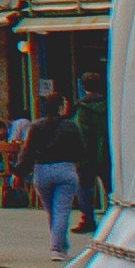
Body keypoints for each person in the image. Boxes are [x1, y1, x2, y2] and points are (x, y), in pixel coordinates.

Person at [25, 103, 91, 258]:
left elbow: (28, 150)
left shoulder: (36, 126)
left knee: (51, 211)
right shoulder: (71, 126)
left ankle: (60, 245)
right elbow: (81, 149)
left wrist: (19, 171)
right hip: (65, 168)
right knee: (61, 210)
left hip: (42, 170)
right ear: (61, 108)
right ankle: (56, 247)